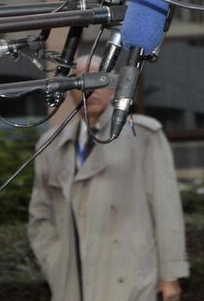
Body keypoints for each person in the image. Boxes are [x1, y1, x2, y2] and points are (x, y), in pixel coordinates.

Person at [28, 55, 189, 301]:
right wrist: (54, 259)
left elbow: (166, 208)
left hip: (130, 276)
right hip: (72, 278)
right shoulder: (50, 145)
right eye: (80, 83)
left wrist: (170, 274)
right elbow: (40, 214)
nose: (89, 90)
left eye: (97, 81)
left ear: (114, 88)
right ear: (70, 91)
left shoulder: (142, 135)